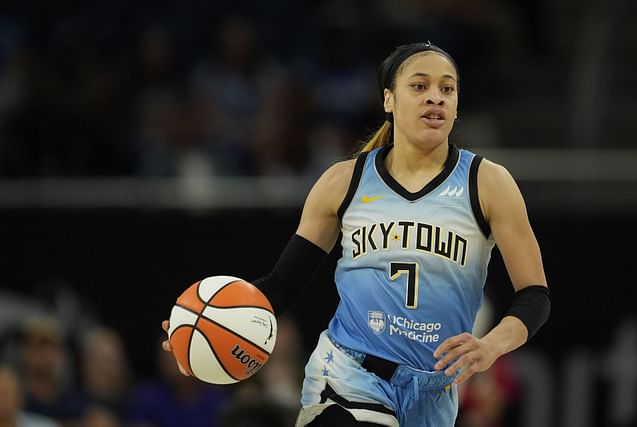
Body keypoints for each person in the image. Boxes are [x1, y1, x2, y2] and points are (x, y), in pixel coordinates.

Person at [161, 41, 551, 427]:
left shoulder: (488, 183)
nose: (436, 98)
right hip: (348, 374)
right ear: (388, 100)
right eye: (419, 86)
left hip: (433, 392)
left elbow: (535, 296)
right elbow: (283, 284)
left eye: (447, 88)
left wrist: (489, 346)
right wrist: (206, 322)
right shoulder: (343, 181)